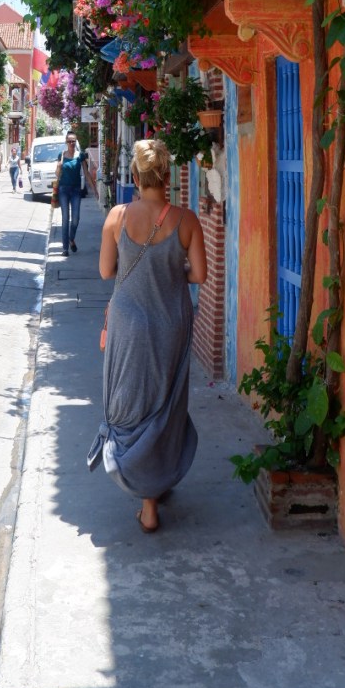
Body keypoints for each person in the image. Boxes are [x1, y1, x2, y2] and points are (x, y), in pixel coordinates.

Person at [87, 138, 207, 534]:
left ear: (135, 176)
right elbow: (200, 275)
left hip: (128, 324)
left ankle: (148, 501)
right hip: (171, 321)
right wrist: (173, 271)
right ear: (167, 175)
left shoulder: (118, 217)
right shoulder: (187, 220)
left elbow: (107, 271)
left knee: (132, 403)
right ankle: (154, 486)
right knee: (164, 402)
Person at [51, 132, 87, 254]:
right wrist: (59, 166)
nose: (71, 143)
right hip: (63, 190)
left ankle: (71, 238)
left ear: (75, 142)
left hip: (76, 190)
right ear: (66, 142)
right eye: (69, 141)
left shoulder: (80, 156)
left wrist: (95, 189)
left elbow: (86, 173)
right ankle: (65, 248)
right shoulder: (61, 155)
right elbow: (57, 174)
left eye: (73, 141)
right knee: (65, 218)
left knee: (76, 218)